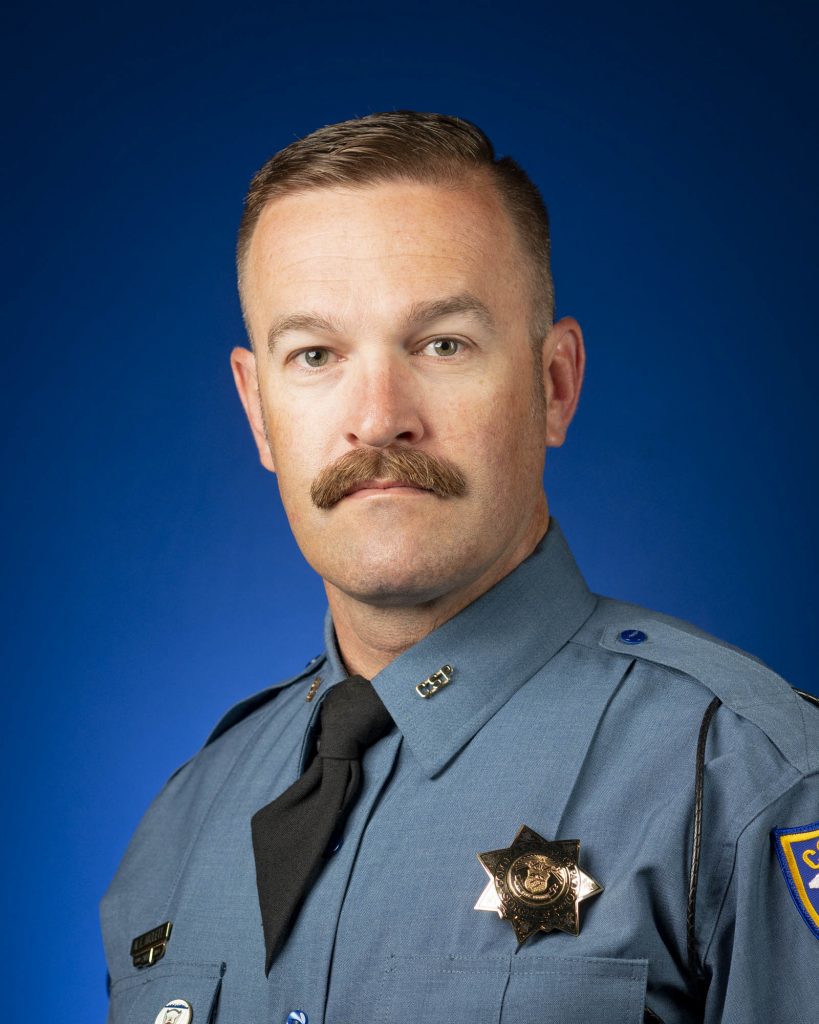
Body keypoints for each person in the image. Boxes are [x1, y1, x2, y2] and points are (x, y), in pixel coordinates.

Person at [100, 111, 819, 1023]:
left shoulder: (747, 783)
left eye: (442, 343)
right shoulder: (180, 830)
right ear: (256, 408)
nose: (378, 417)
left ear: (553, 383)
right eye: (315, 355)